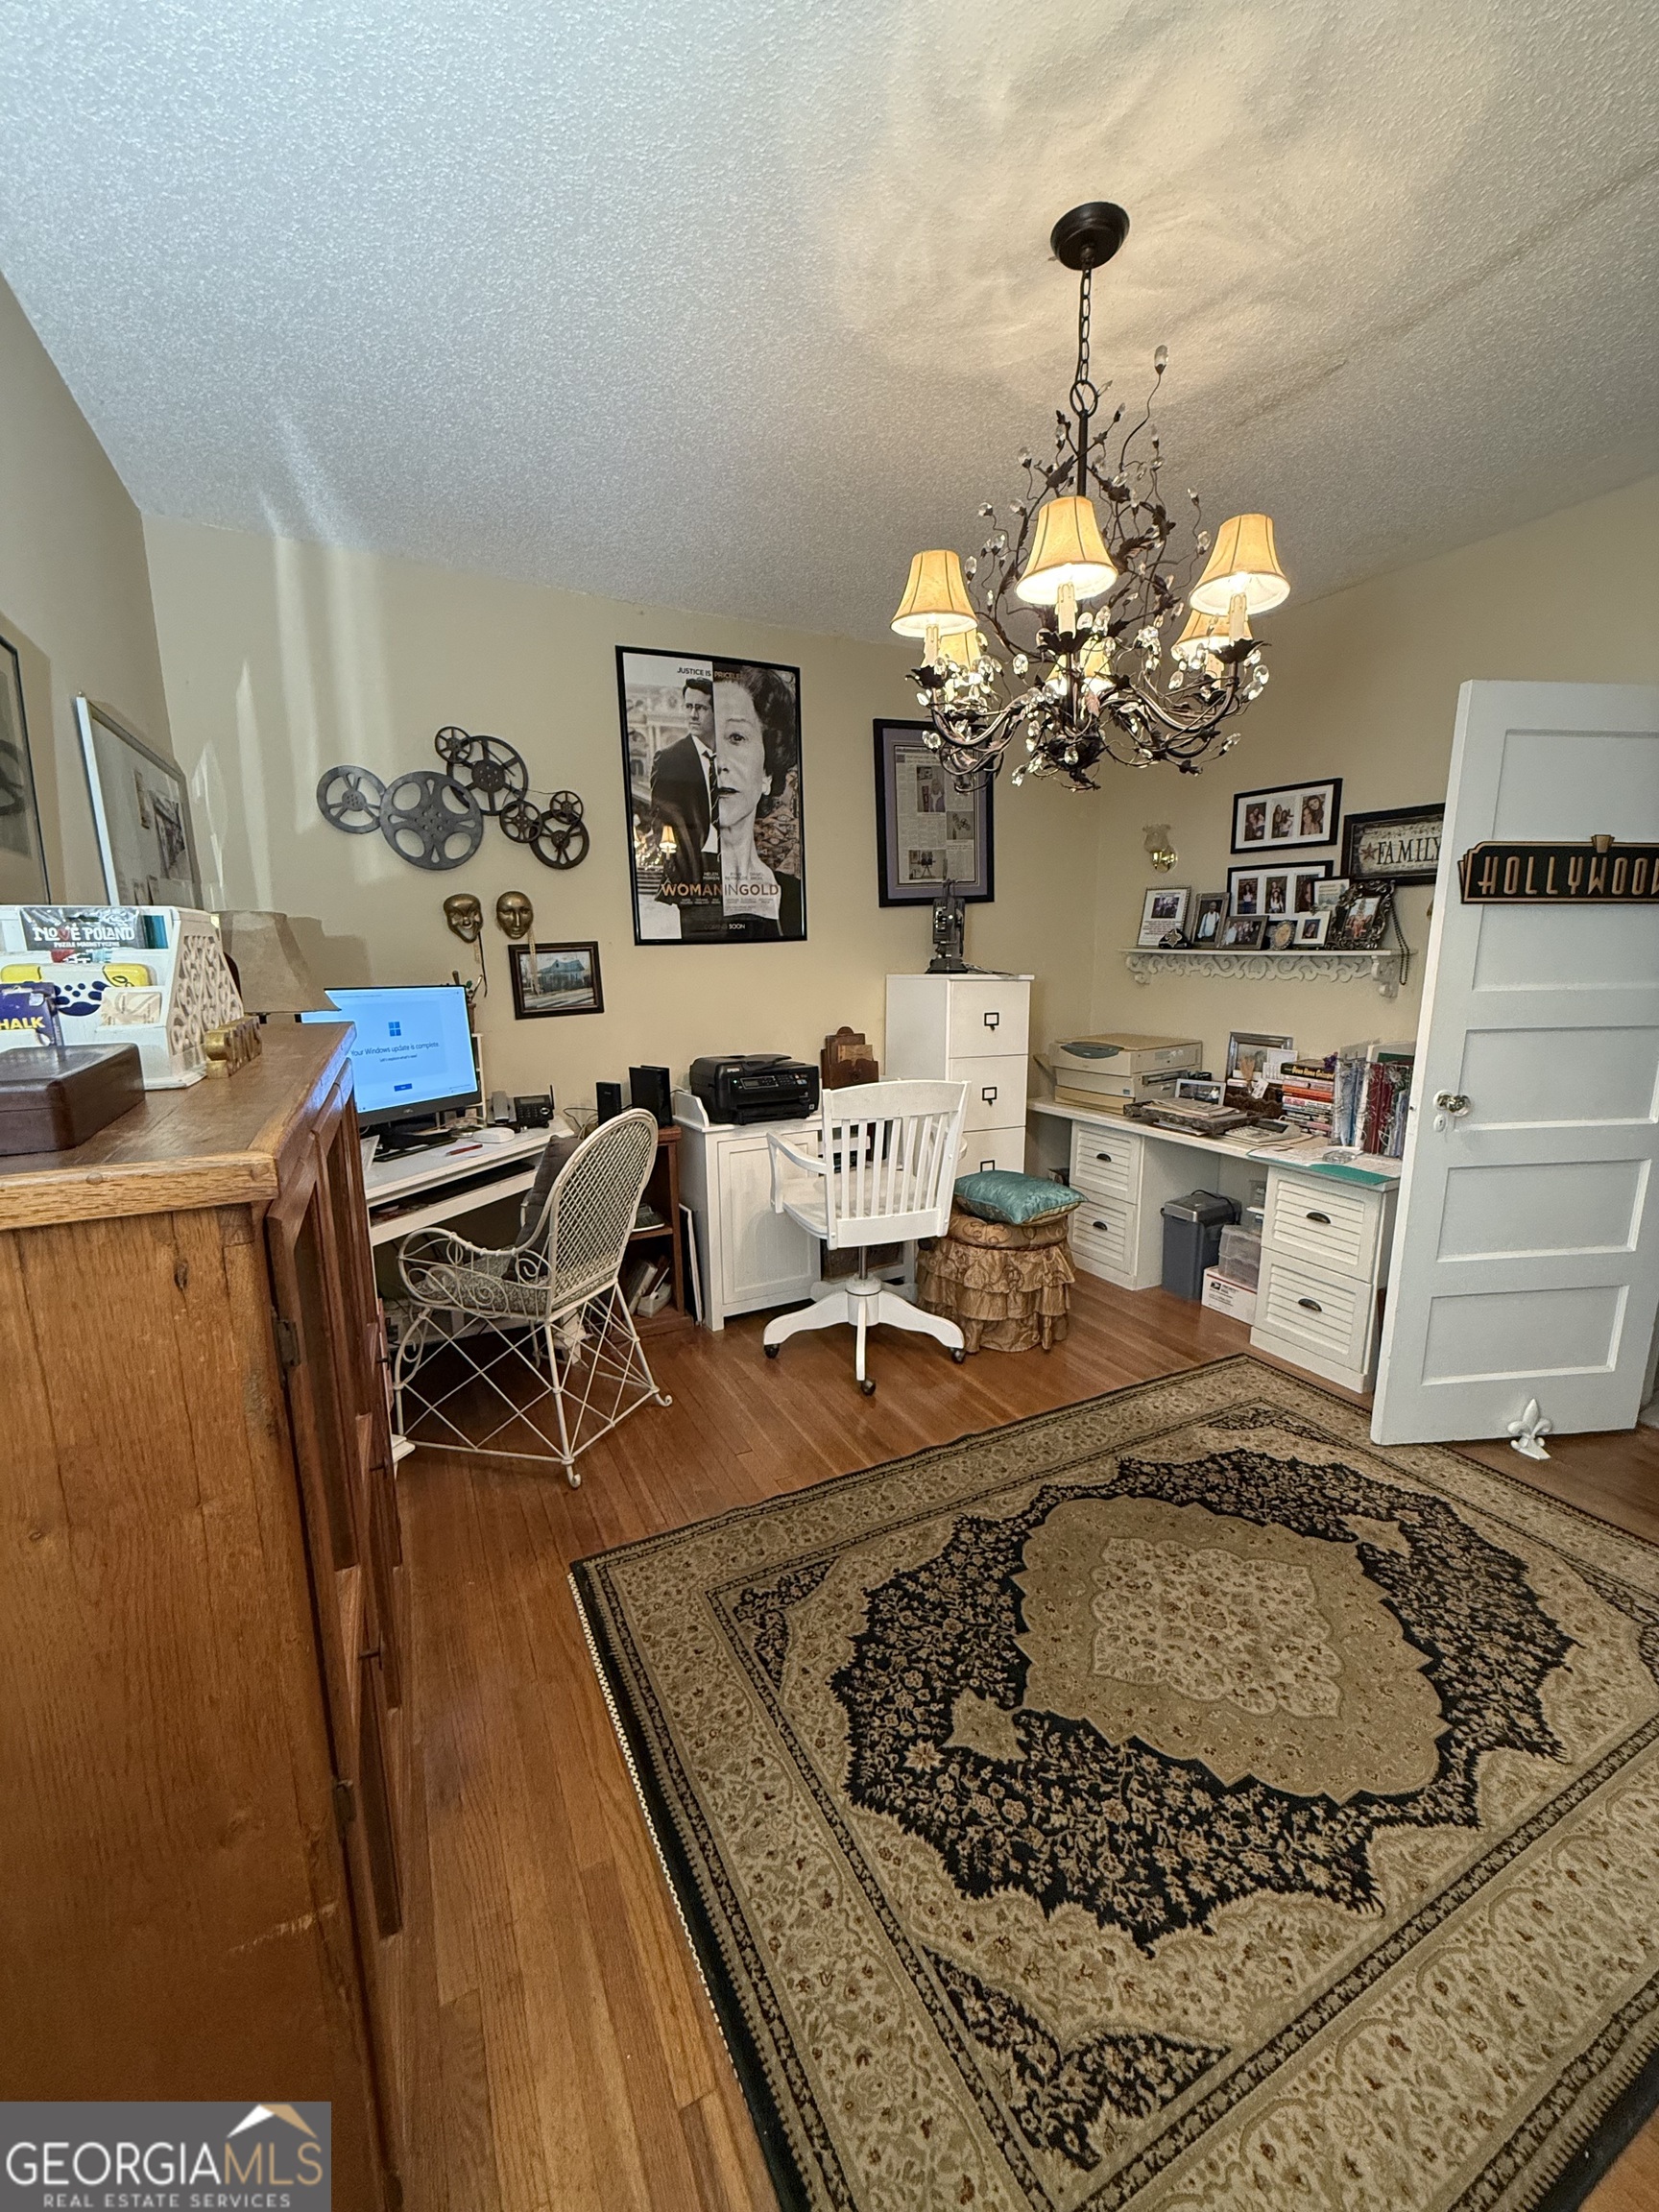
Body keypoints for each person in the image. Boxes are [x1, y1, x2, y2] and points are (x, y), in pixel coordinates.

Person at [710, 663, 804, 940]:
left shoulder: (793, 896)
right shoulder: (668, 897)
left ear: (767, 772)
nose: (720, 763)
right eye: (706, 742)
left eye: (736, 737)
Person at [649, 677, 719, 889]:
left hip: (736, 871)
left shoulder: (734, 756)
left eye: (701, 708)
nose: (692, 715)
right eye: (688, 707)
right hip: (693, 869)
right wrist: (676, 871)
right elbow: (660, 820)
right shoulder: (669, 759)